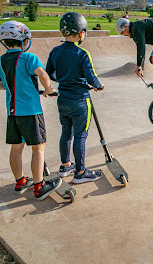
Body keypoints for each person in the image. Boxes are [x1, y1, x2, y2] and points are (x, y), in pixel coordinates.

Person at [0, 21, 61, 200]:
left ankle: (20, 181)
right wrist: (49, 90)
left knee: (16, 147)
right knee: (38, 148)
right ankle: (39, 186)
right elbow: (43, 75)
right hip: (30, 111)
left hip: (12, 112)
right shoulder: (28, 58)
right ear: (23, 40)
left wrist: (9, 86)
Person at [46, 12, 104, 184]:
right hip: (80, 101)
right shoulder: (82, 53)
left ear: (63, 32)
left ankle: (65, 166)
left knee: (66, 133)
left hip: (62, 99)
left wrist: (63, 80)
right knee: (80, 135)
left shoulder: (55, 51)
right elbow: (91, 76)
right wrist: (98, 85)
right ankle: (80, 172)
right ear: (81, 32)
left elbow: (49, 73)